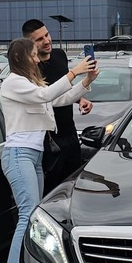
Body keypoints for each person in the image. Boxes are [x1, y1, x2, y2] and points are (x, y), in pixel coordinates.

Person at [0, 37, 98, 263]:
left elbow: (58, 98)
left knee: (32, 216)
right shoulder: (13, 83)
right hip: (18, 155)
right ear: (21, 57)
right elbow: (45, 95)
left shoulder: (29, 83)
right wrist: (74, 72)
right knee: (28, 213)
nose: (36, 58)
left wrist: (85, 82)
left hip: (33, 154)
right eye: (33, 54)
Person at [22, 18, 94, 192]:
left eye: (47, 35)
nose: (47, 41)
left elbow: (63, 92)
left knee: (74, 188)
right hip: (49, 141)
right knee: (52, 193)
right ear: (29, 43)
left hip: (70, 132)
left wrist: (80, 99)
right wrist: (79, 78)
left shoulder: (60, 55)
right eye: (39, 39)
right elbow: (48, 97)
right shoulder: (30, 68)